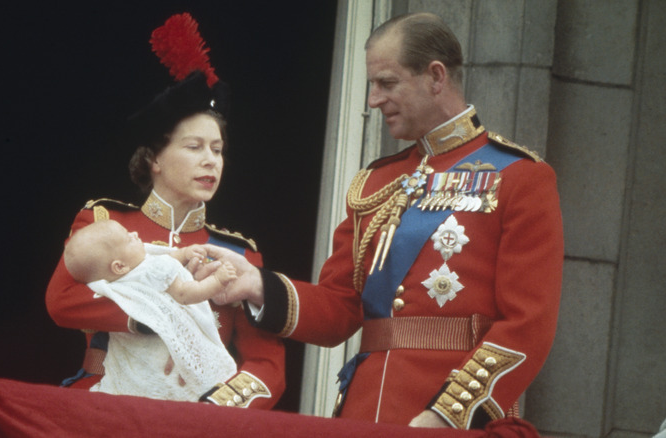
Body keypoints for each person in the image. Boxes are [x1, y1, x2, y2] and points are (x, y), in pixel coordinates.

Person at [200, 12, 563, 429]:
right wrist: (255, 285)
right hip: (363, 413)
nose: (373, 100)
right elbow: (339, 310)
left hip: (454, 418)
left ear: (436, 77)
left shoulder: (519, 177)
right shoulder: (378, 180)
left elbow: (527, 325)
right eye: (372, 85)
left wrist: (447, 415)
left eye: (387, 83)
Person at [46, 12, 285, 409]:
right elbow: (62, 301)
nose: (211, 161)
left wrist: (215, 410)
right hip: (106, 404)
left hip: (198, 417)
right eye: (194, 147)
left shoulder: (239, 253)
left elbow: (266, 363)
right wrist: (148, 318)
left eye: (218, 149)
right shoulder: (104, 222)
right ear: (154, 158)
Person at [63, 219, 239, 401]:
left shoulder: (105, 283)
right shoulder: (155, 269)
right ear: (119, 266)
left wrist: (185, 253)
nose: (135, 234)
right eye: (129, 238)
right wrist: (218, 280)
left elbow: (158, 263)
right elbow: (184, 294)